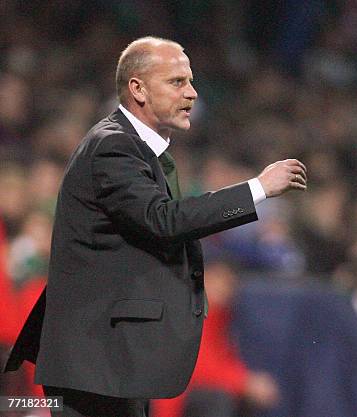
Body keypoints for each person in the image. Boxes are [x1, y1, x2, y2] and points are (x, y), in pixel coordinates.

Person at [2, 36, 307, 417]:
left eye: (191, 81)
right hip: (94, 361)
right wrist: (257, 188)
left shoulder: (141, 151)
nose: (192, 93)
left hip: (112, 357)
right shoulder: (112, 147)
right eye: (177, 82)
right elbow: (162, 220)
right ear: (138, 89)